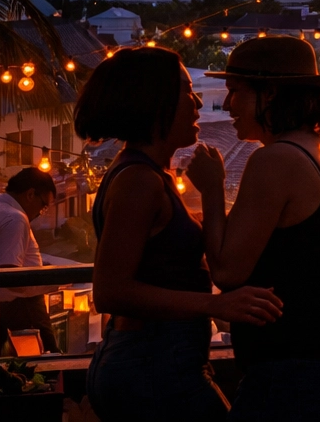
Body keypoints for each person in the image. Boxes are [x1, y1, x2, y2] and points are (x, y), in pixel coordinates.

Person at [76, 47, 281, 421]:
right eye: (188, 91)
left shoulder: (151, 176)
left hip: (164, 359)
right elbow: (110, 290)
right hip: (151, 363)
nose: (199, 101)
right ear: (157, 102)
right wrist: (214, 306)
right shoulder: (139, 181)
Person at [186, 37, 320, 422]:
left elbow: (227, 272)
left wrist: (210, 188)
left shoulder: (274, 160)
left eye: (235, 91)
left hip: (298, 366)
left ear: (269, 93)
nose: (226, 105)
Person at [0, 167, 60, 354]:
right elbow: (9, 275)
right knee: (46, 365)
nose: (41, 212)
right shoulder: (15, 218)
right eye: (43, 205)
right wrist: (49, 282)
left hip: (10, 307)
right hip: (25, 308)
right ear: (31, 194)